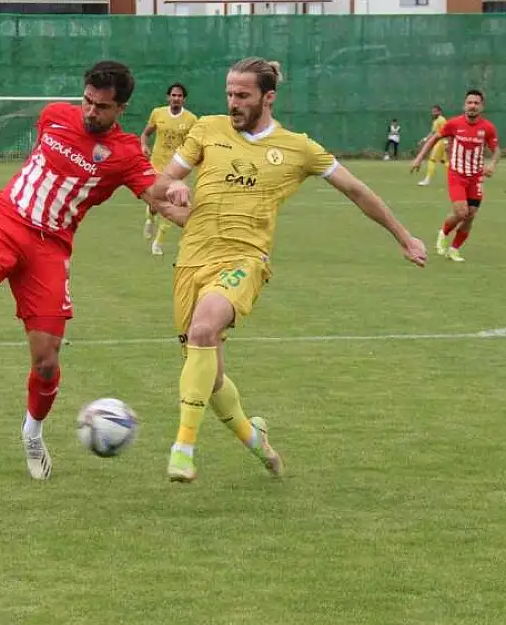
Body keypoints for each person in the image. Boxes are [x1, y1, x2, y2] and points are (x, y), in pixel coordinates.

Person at [150, 57, 427, 483]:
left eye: (242, 95)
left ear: (268, 97)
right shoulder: (207, 129)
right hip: (192, 260)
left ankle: (183, 448)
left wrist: (404, 237)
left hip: (245, 261)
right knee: (210, 373)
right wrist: (175, 188)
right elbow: (156, 187)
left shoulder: (299, 148)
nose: (233, 103)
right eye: (229, 93)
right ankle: (256, 439)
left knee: (205, 328)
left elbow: (356, 190)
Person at [0, 61, 188, 481]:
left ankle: (32, 433)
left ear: (121, 108)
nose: (90, 112)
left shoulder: (125, 153)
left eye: (102, 107)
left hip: (51, 247)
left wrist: (187, 200)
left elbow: (160, 197)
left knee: (46, 363)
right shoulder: (54, 115)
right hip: (5, 219)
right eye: (87, 101)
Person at [411, 90, 500, 262]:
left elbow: (496, 150)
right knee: (461, 212)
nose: (472, 106)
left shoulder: (488, 127)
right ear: (464, 105)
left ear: (481, 106)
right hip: (457, 174)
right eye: (469, 103)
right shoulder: (454, 124)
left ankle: (454, 249)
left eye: (476, 103)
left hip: (476, 177)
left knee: (471, 215)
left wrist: (492, 164)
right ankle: (443, 233)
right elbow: (434, 138)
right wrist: (419, 158)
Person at [140, 82, 197, 256]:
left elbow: (194, 143)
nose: (176, 98)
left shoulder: (191, 119)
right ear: (168, 97)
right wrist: (143, 145)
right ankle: (150, 218)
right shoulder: (158, 113)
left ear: (184, 99)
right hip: (156, 165)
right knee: (154, 201)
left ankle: (159, 241)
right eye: (173, 95)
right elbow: (146, 133)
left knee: (175, 203)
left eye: (179, 96)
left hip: (178, 169)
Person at [415, 105, 448, 186]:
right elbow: (433, 133)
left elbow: (446, 131)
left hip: (441, 142)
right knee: (445, 161)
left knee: (432, 160)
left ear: (440, 112)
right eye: (432, 111)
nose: (433, 113)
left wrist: (446, 143)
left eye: (435, 111)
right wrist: (424, 139)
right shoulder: (435, 121)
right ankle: (455, 179)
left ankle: (427, 180)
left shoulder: (442, 120)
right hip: (440, 142)